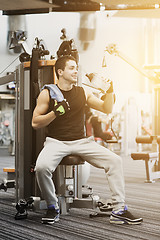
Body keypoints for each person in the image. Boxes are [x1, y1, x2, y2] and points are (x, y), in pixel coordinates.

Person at [32, 55, 143, 225]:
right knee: (41, 167)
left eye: (76, 67)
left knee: (115, 161)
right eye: (71, 68)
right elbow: (35, 123)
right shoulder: (48, 93)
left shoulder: (83, 92)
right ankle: (52, 206)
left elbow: (106, 108)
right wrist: (55, 112)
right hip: (56, 142)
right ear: (60, 71)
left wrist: (110, 91)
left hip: (81, 141)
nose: (76, 70)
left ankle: (119, 209)